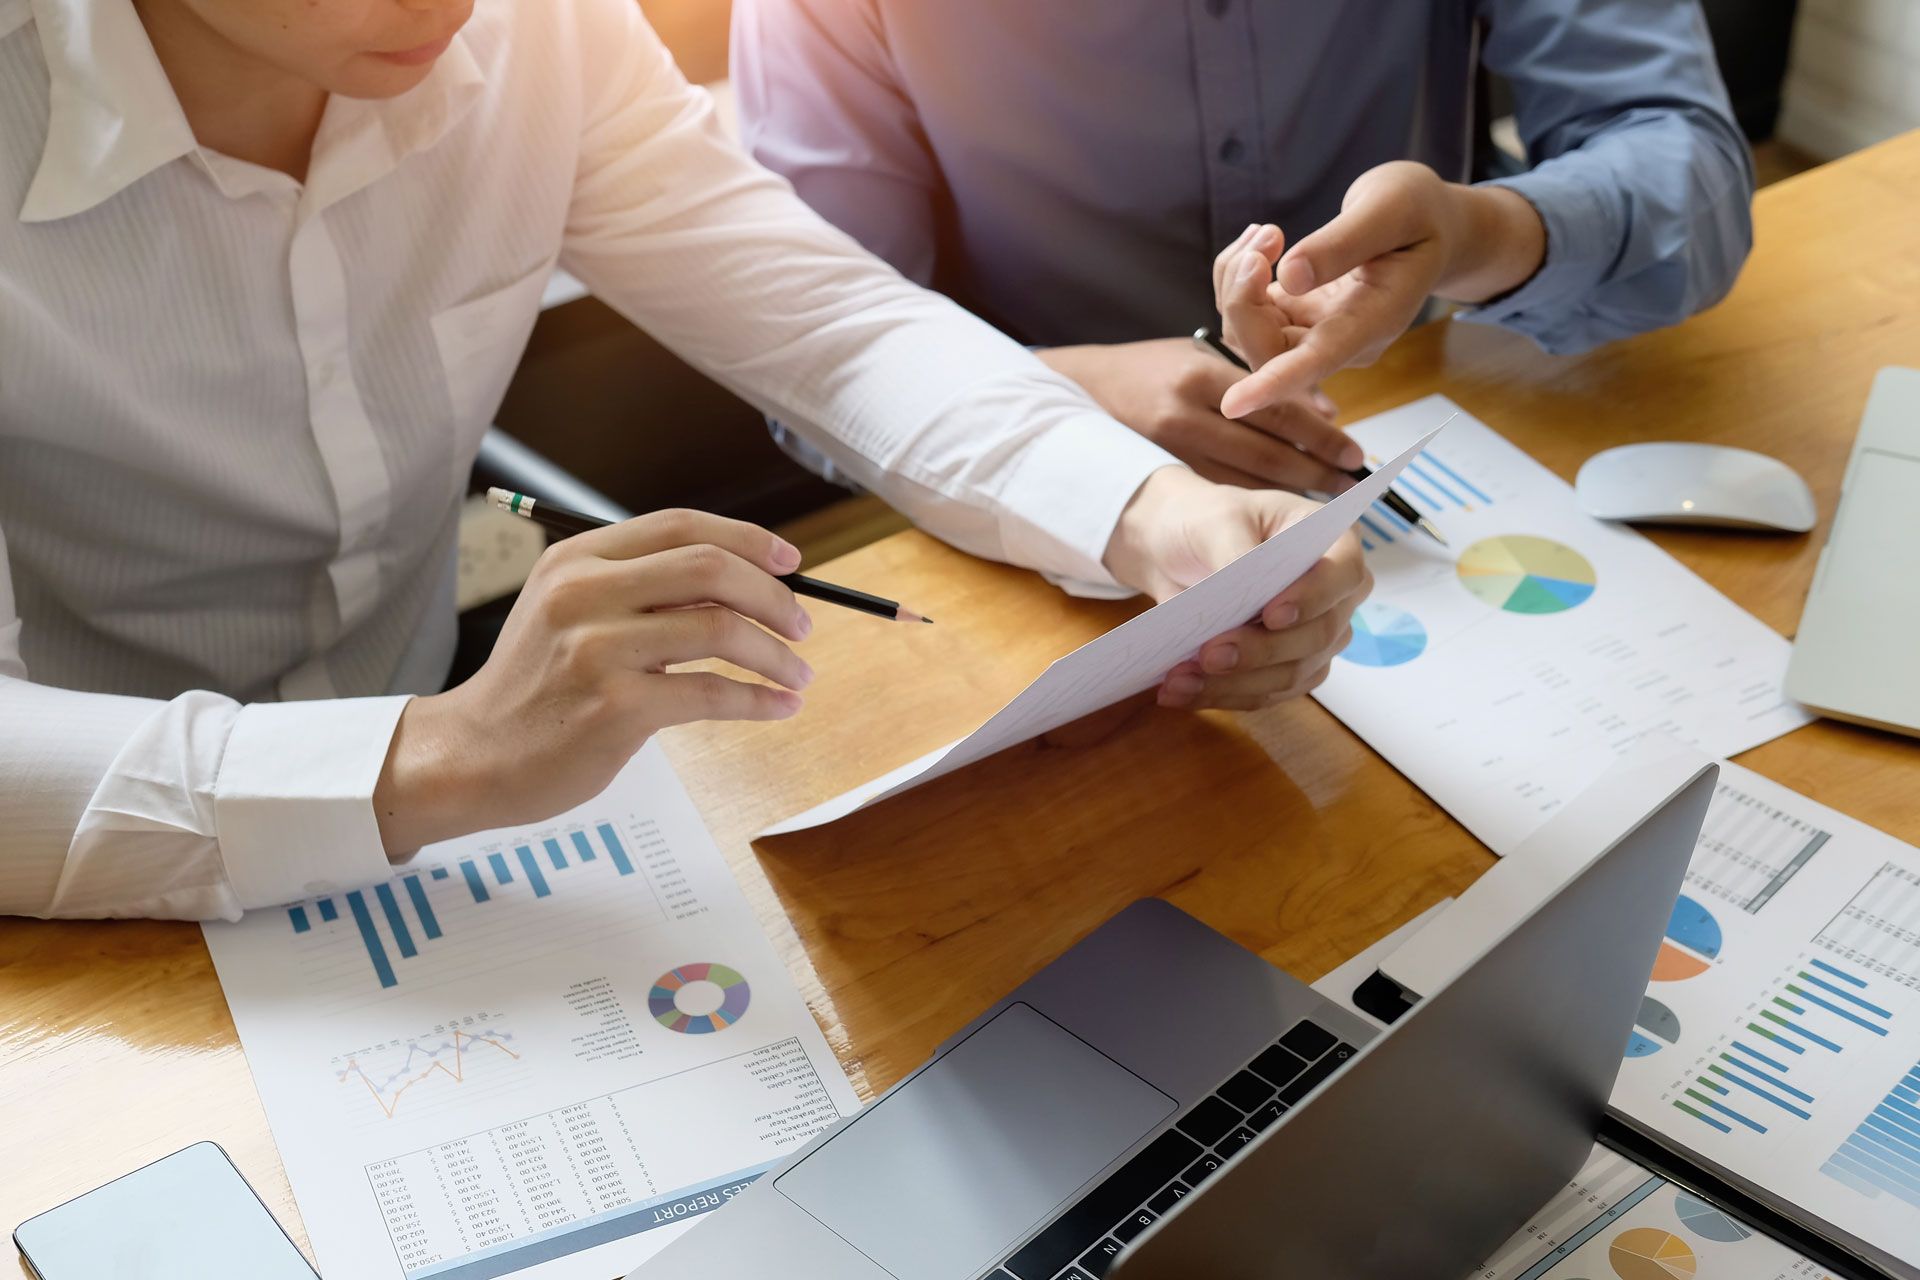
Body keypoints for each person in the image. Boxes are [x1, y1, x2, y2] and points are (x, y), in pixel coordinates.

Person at [0, 0, 1369, 921]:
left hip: (447, 822)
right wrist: (444, 753)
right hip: (79, 881)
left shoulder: (541, 33)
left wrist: (1152, 512)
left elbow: (825, 321)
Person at [733, 0, 1755, 487]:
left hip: (1425, 427)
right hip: (1031, 480)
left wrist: (1476, 231)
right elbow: (814, 356)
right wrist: (1072, 390)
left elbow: (1688, 166)